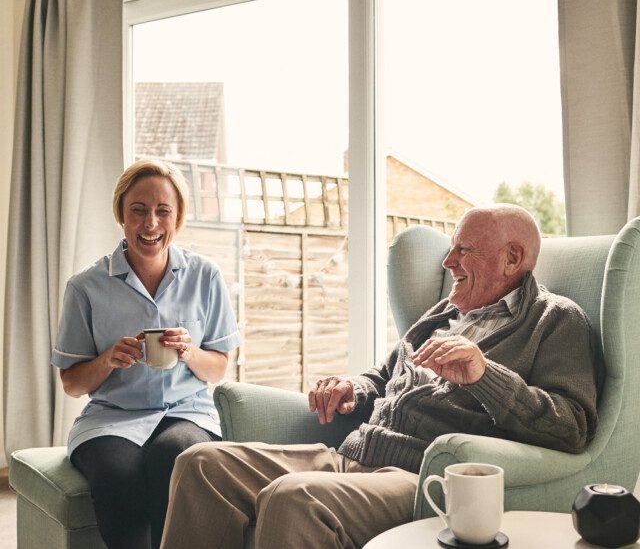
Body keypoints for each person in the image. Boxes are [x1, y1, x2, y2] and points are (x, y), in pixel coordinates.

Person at [159, 204, 598, 549]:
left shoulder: (554, 320)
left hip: (420, 476)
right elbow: (386, 372)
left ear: (512, 258)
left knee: (294, 498)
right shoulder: (445, 312)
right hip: (353, 455)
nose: (448, 262)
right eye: (451, 248)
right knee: (200, 464)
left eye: (465, 250)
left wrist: (484, 374)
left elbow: (573, 426)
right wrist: (355, 387)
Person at [52, 159, 241, 549]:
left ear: (178, 217)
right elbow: (71, 383)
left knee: (175, 458)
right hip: (111, 418)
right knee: (117, 477)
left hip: (186, 412)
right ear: (122, 213)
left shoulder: (206, 276)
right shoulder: (85, 287)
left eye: (162, 211)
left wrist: (188, 351)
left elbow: (219, 366)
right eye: (138, 210)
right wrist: (107, 360)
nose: (150, 223)